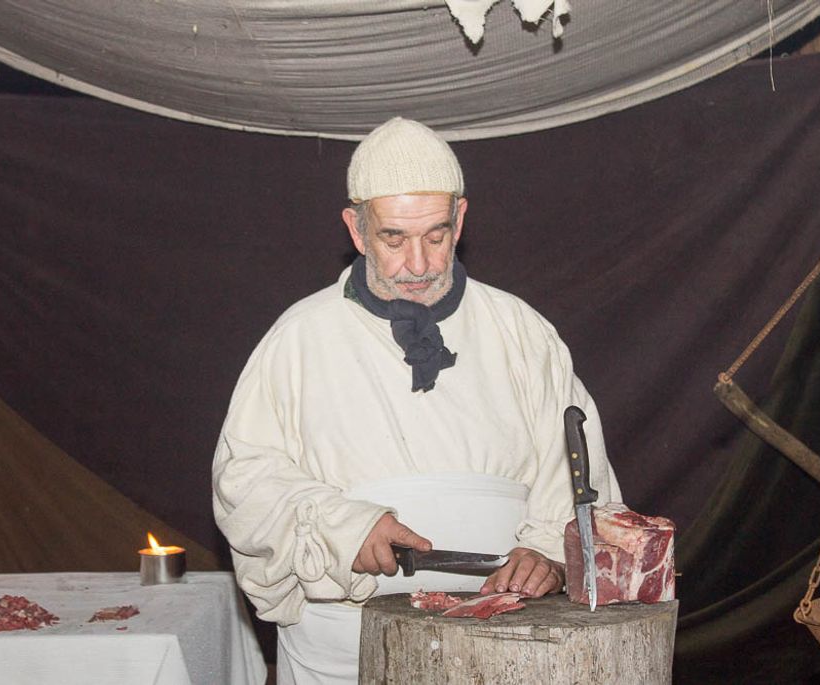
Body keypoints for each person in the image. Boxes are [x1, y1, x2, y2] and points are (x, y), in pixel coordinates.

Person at [212, 117, 621, 684]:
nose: (420, 264)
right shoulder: (298, 339)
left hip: (505, 642)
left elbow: (577, 474)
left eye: (436, 236)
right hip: (346, 650)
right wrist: (345, 529)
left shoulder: (522, 333)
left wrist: (548, 554)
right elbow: (244, 479)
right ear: (357, 229)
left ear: (460, 219)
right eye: (394, 239)